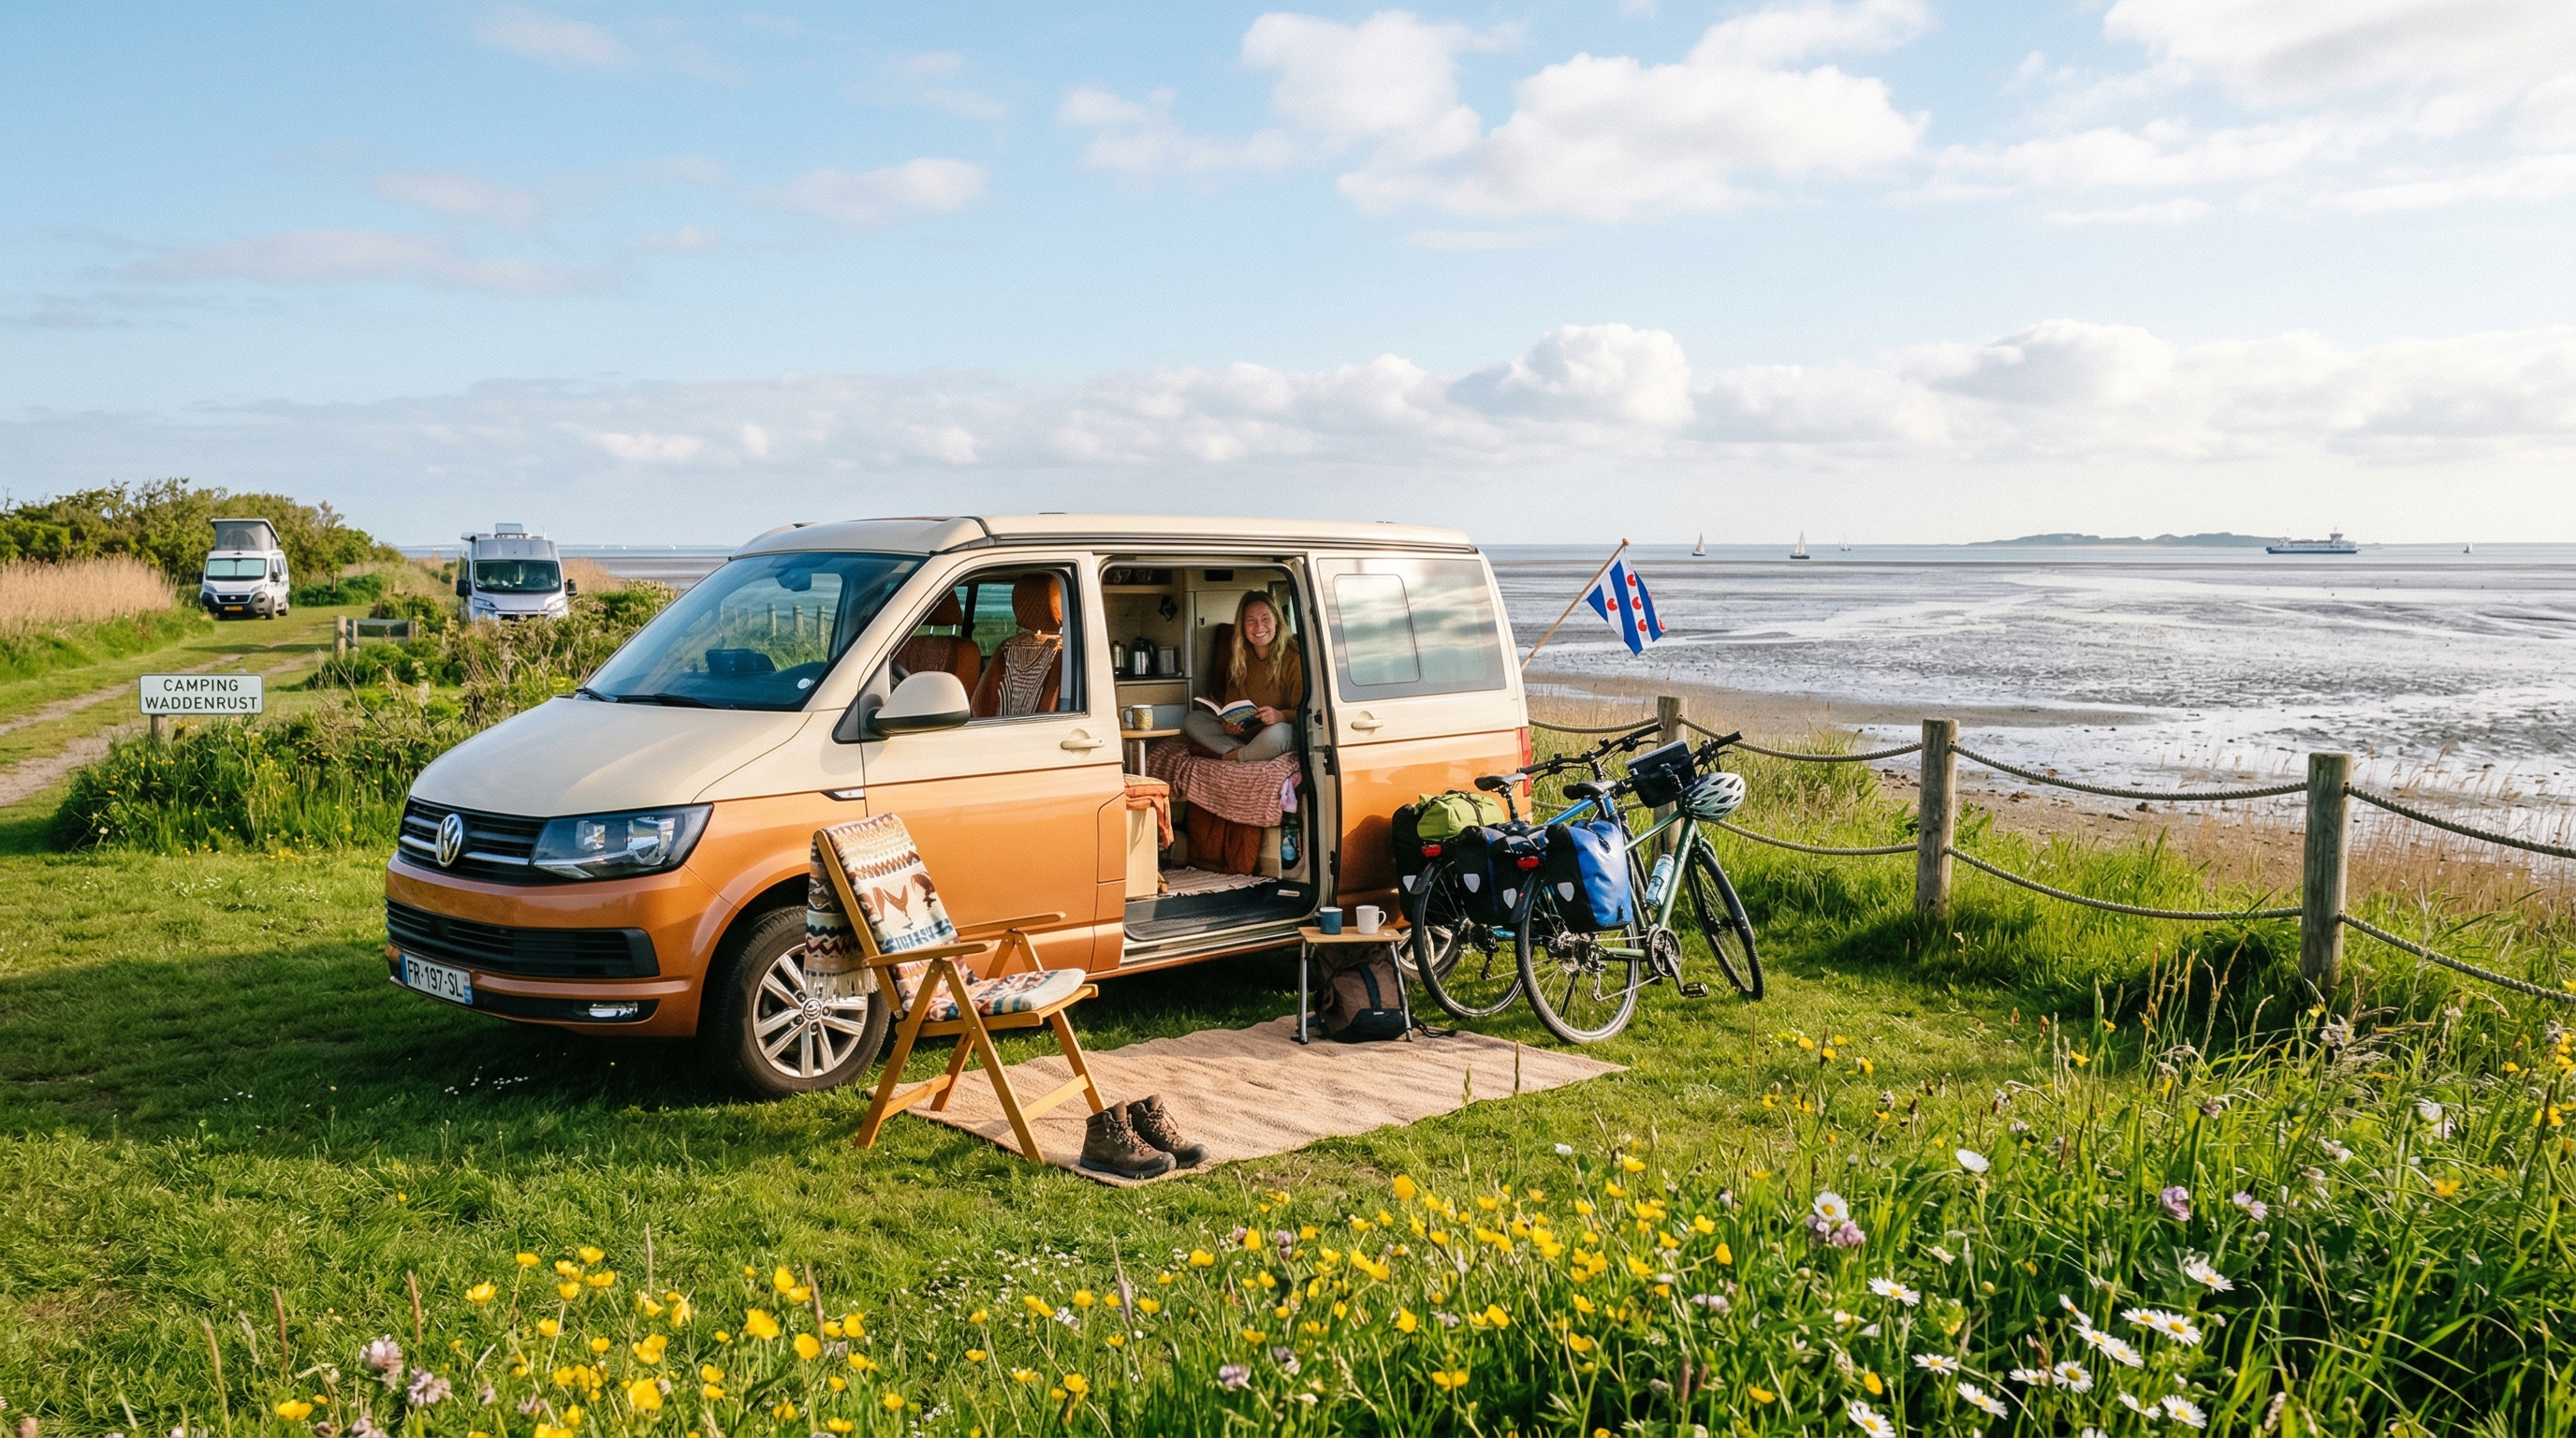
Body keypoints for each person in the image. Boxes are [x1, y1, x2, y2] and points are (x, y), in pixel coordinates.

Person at [1182, 592, 1303, 762]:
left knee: (1279, 733)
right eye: (1250, 621)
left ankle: (1234, 757)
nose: (1259, 626)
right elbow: (1231, 710)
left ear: (1277, 620)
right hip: (1244, 738)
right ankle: (1247, 753)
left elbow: (1306, 714)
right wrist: (1230, 725)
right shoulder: (1239, 659)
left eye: (1265, 618)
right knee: (1193, 720)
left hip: (1277, 733)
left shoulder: (1294, 658)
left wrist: (1281, 716)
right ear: (1243, 626)